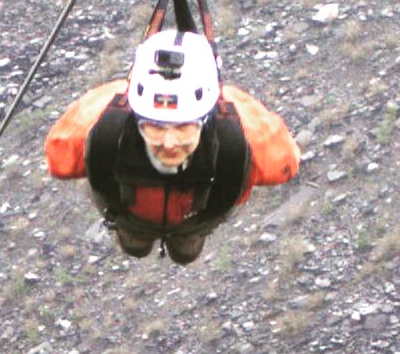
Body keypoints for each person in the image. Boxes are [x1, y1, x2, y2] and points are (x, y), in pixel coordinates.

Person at [45, 29, 300, 264]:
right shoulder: (103, 127)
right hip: (133, 215)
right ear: (135, 118)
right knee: (139, 246)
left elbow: (283, 162)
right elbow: (60, 156)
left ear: (206, 120)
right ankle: (146, 236)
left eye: (183, 127)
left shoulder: (242, 135)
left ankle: (164, 237)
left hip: (193, 218)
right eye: (154, 127)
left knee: (183, 252)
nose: (168, 143)